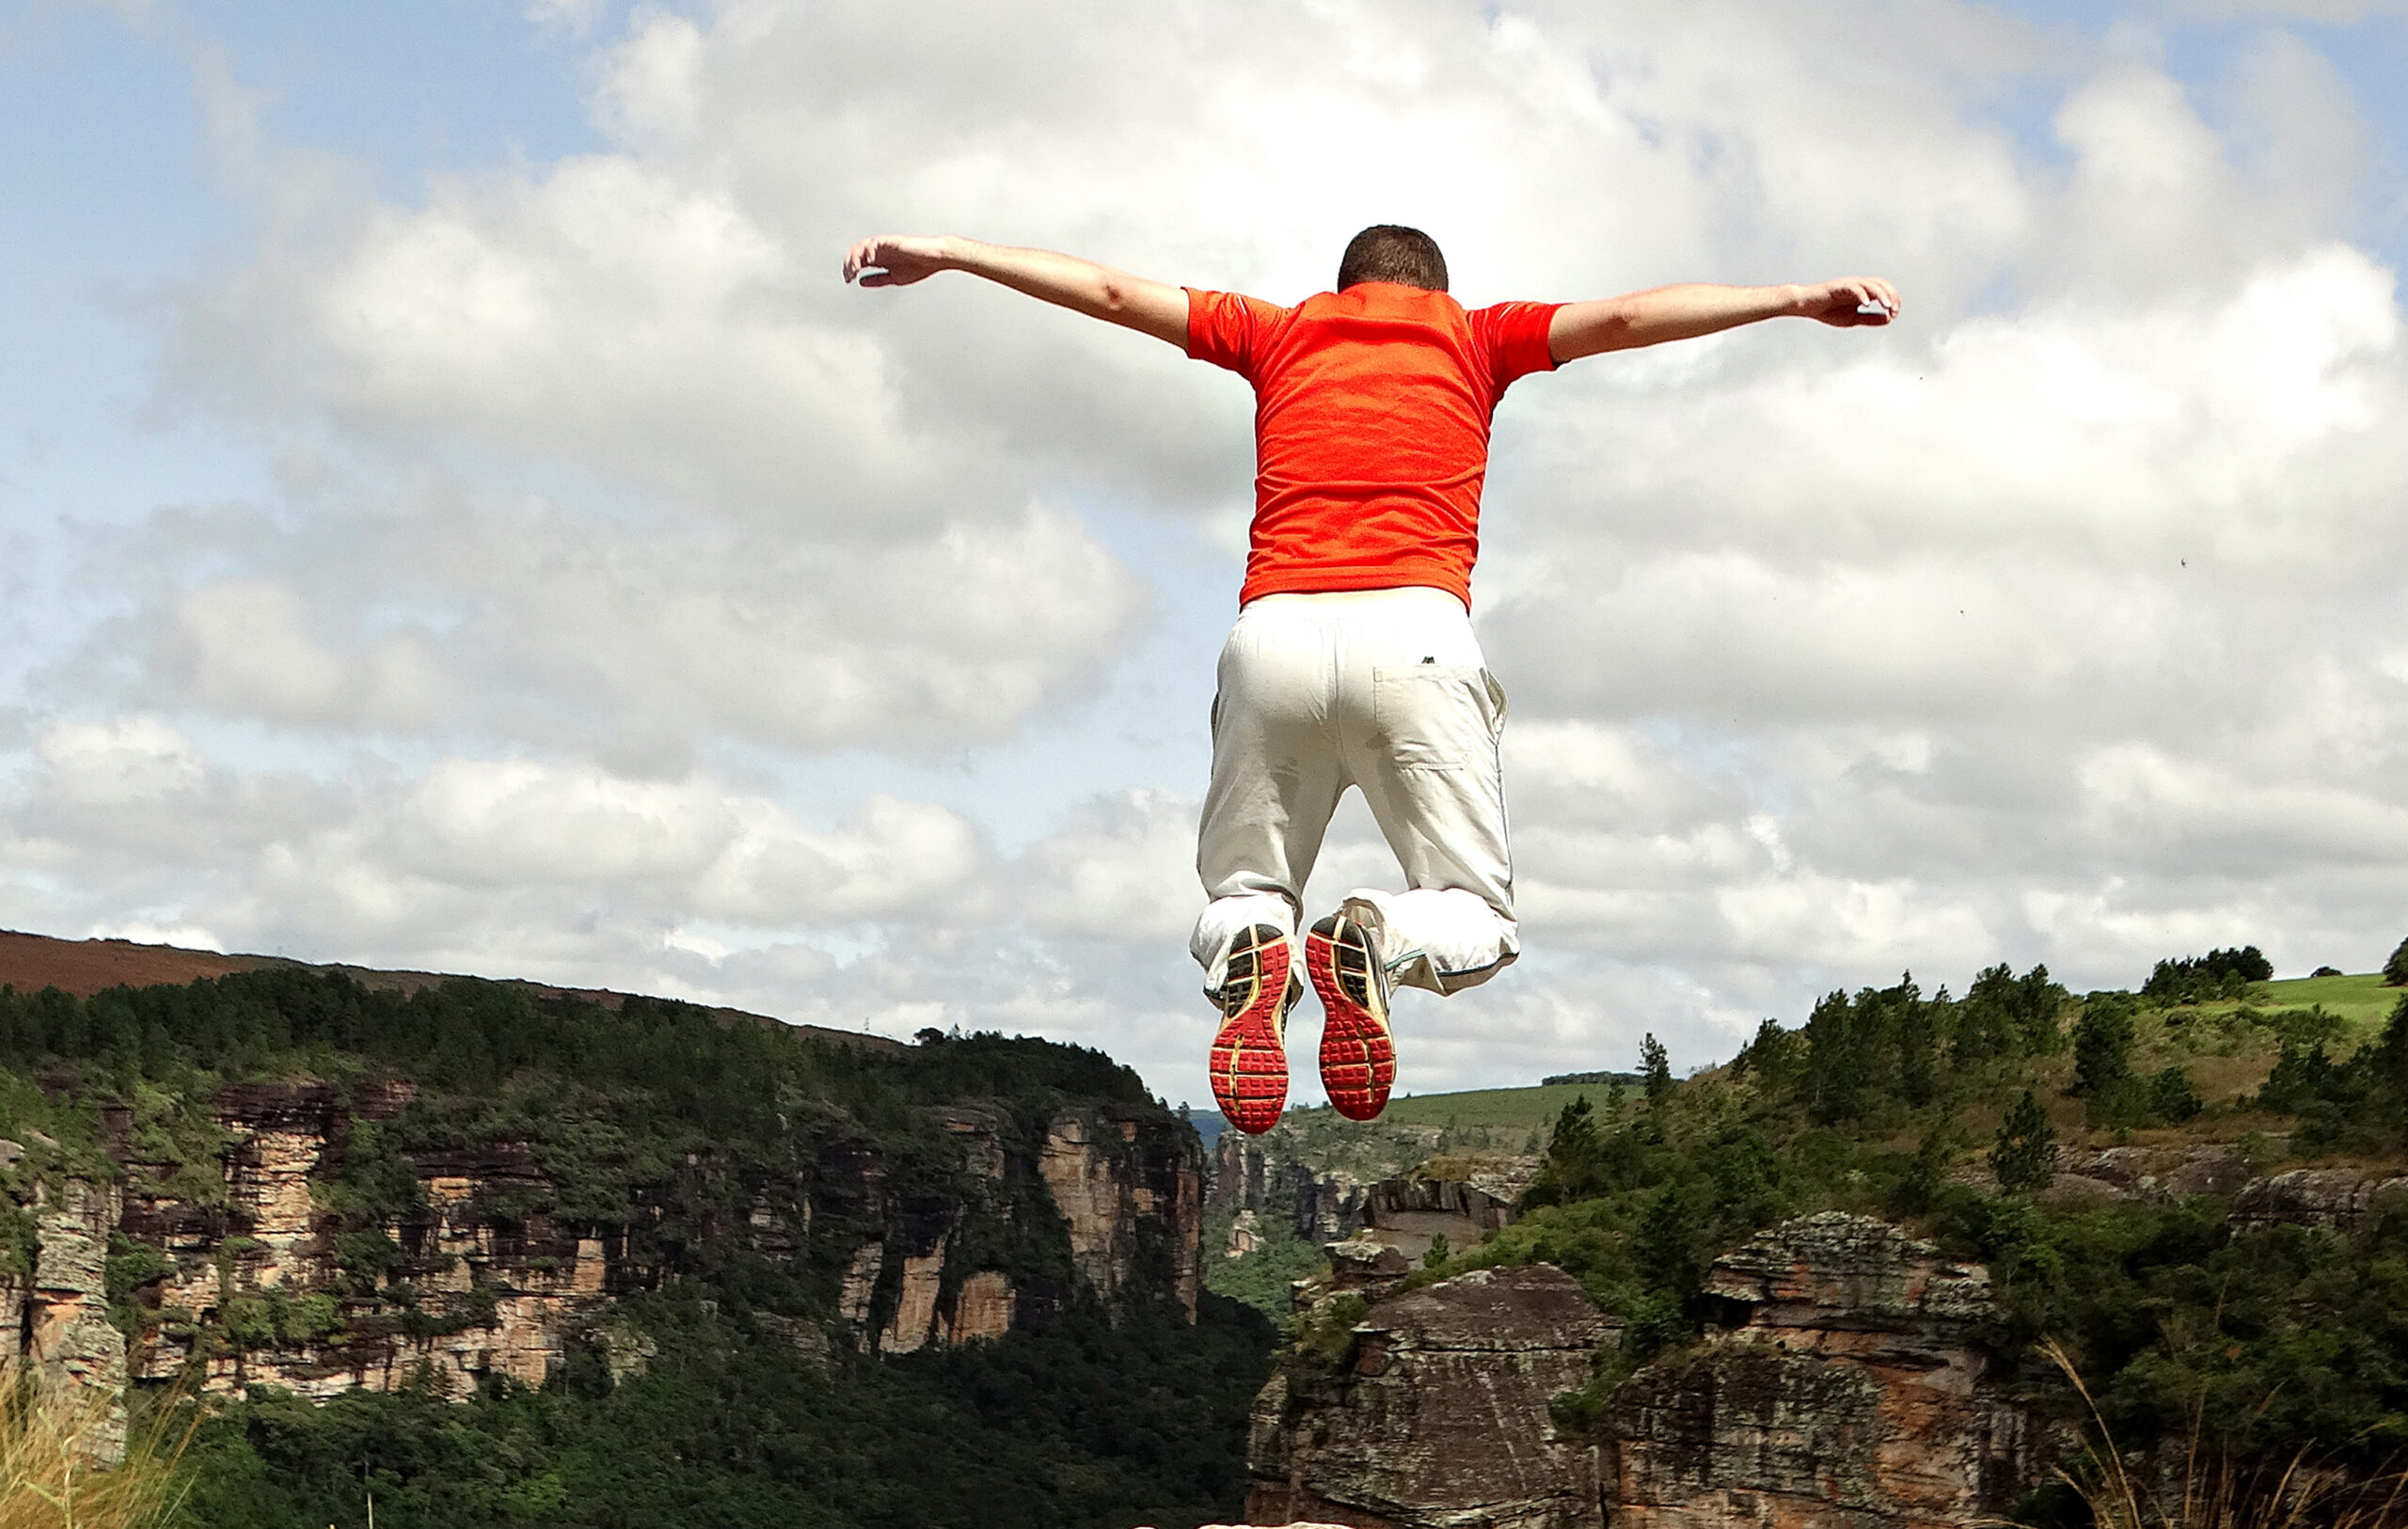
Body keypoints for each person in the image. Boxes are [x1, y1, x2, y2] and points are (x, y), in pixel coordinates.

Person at [844, 225, 1899, 1135]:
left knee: (1242, 891)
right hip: (1418, 638)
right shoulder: (1478, 335)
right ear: (1433, 290)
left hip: (1274, 640)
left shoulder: (1276, 331)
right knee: (1477, 917)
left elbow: (1115, 293)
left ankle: (1261, 940)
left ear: (1342, 287)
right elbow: (1627, 317)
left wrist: (944, 253)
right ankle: (1377, 936)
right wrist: (1798, 298)